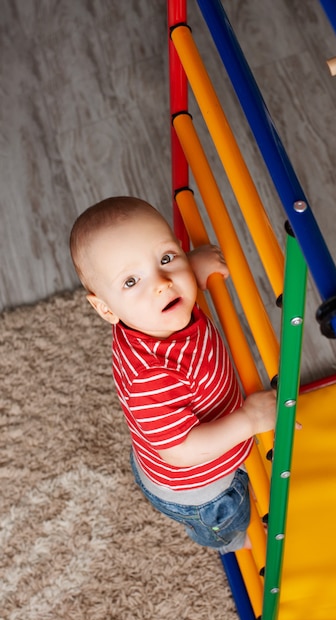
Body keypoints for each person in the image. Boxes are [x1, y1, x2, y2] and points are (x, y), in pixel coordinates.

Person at [69, 196, 277, 554]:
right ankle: (231, 543)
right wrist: (249, 419)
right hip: (201, 490)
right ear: (105, 308)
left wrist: (190, 270)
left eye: (166, 258)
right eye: (131, 281)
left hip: (164, 449)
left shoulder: (148, 313)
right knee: (231, 522)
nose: (163, 283)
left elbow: (163, 287)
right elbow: (181, 450)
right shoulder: (151, 375)